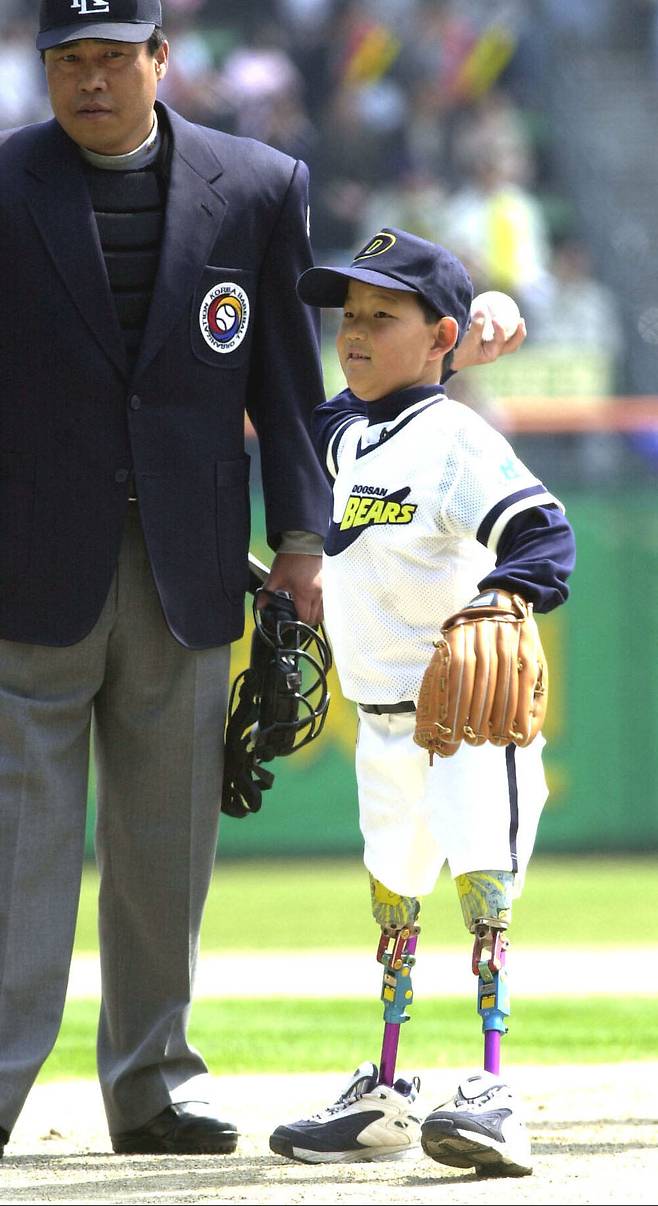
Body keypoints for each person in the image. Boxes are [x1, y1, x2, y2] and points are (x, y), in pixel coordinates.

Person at [0, 0, 332, 1157]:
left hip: (191, 571)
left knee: (163, 849)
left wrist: (300, 543)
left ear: (159, 60)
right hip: (27, 574)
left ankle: (149, 1088)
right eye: (67, 61)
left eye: (110, 59)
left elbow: (288, 385)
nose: (89, 81)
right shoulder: (2, 184)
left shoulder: (257, 185)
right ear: (45, 69)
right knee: (16, 856)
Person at [269, 227, 576, 1176]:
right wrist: (453, 346)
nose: (354, 332)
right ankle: (388, 1095)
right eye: (349, 316)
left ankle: (492, 1091)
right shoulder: (341, 430)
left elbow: (543, 533)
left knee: (485, 898)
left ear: (435, 332)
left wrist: (502, 596)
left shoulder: (453, 439)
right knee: (395, 905)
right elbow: (298, 432)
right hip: (382, 725)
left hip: (466, 722)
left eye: (382, 316)